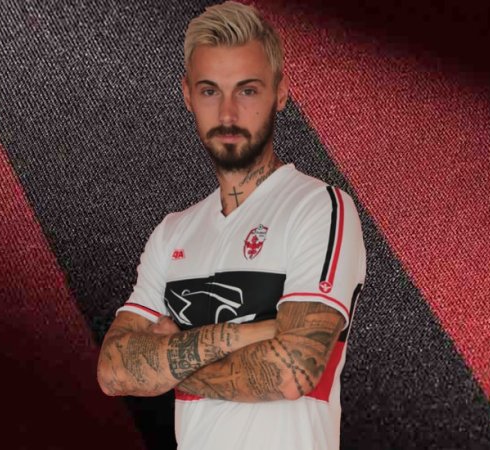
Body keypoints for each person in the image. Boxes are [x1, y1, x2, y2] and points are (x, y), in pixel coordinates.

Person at [97, 2, 366, 449]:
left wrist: (168, 363)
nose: (227, 113)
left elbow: (292, 370)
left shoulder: (319, 207)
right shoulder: (172, 232)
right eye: (209, 91)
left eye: (247, 90)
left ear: (281, 92)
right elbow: (113, 371)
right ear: (188, 96)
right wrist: (256, 333)